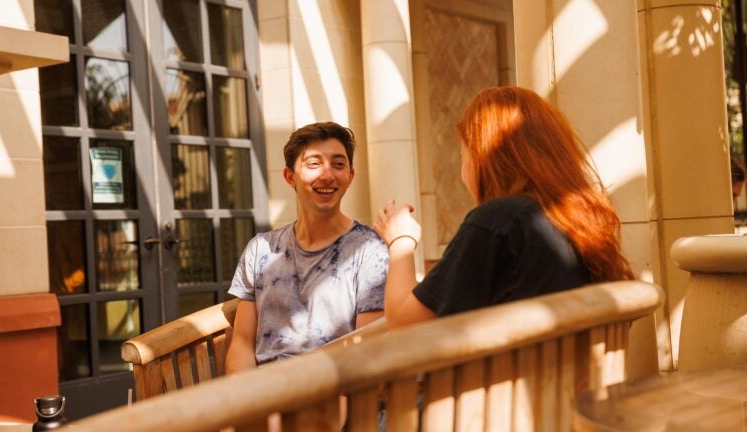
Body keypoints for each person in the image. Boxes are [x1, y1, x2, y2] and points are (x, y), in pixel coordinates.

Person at [374, 86, 634, 328]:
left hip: (517, 378)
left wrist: (401, 240)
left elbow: (404, 321)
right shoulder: (582, 218)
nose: (462, 167)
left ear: (483, 157)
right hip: (577, 376)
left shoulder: (498, 220)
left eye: (464, 154)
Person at [225, 122, 389, 373]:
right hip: (264, 395)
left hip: (333, 393)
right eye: (314, 164)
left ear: (351, 177)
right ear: (290, 177)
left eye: (338, 164)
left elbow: (366, 350)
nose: (327, 175)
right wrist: (247, 401)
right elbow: (242, 343)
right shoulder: (261, 249)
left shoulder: (369, 251)